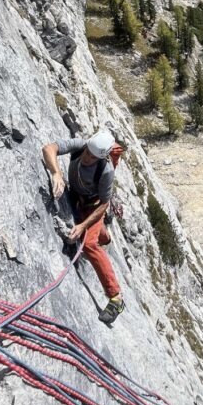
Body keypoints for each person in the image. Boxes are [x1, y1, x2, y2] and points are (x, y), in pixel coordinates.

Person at [42, 128, 125, 326]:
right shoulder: (80, 146)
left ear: (102, 157)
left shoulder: (106, 171)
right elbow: (49, 148)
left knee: (88, 245)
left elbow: (104, 204)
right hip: (77, 198)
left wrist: (82, 226)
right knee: (95, 236)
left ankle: (116, 298)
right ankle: (104, 236)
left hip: (94, 207)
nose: (87, 157)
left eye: (92, 156)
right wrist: (56, 173)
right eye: (87, 152)